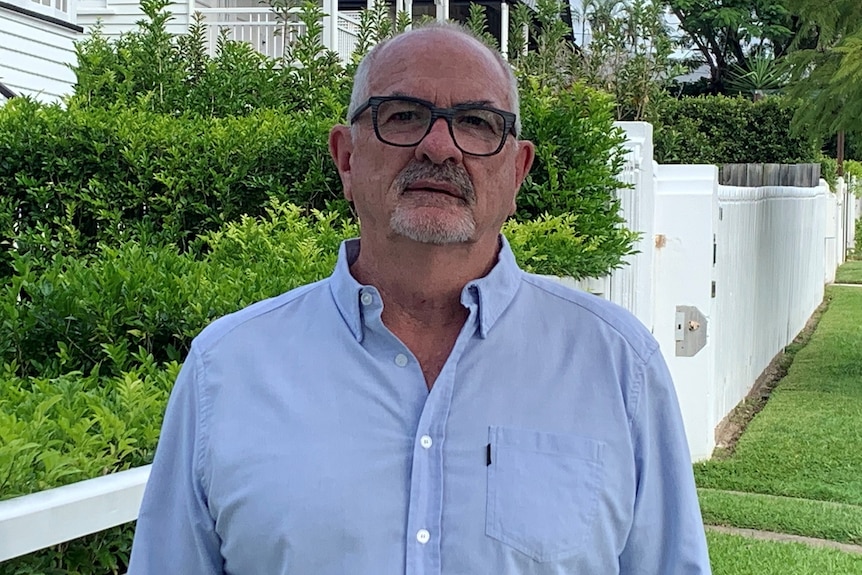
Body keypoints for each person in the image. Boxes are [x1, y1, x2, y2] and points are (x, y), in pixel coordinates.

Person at [127, 23, 711, 574]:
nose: (439, 146)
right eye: (403, 115)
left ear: (516, 172)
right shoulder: (227, 369)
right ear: (347, 159)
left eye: (478, 122)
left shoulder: (617, 367)